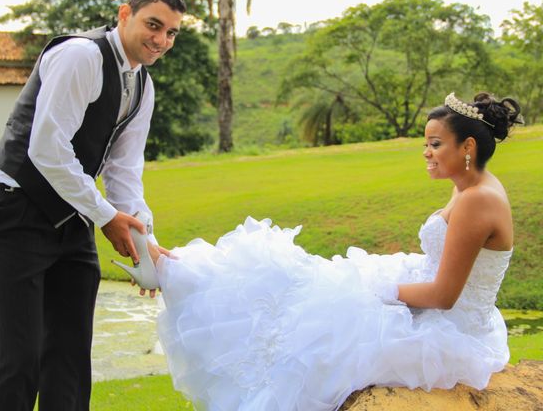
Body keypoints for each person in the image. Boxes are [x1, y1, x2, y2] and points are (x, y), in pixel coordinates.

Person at [128, 92, 522, 411]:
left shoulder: (477, 201)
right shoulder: (469, 187)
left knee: (321, 312)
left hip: (449, 330)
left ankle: (165, 268)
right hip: (425, 295)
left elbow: (444, 296)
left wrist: (376, 292)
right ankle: (169, 264)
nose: (426, 152)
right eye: (426, 143)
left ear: (467, 146)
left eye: (435, 144)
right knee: (297, 277)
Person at [0, 0, 184, 411]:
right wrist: (107, 217)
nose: (161, 40)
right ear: (124, 14)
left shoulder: (143, 86)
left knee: (70, 356)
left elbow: (124, 171)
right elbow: (47, 149)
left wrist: (146, 244)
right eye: (153, 24)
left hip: (73, 217)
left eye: (171, 32)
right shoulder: (82, 56)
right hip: (17, 212)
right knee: (20, 357)